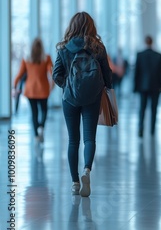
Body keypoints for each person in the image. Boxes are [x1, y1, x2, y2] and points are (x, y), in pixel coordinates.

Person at [52, 12, 113, 197]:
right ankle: (86, 170)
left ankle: (75, 183)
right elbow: (107, 74)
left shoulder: (63, 48)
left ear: (72, 26)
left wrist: (68, 86)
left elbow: (56, 75)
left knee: (73, 140)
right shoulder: (98, 48)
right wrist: (105, 87)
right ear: (91, 27)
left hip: (70, 99)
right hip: (92, 98)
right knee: (89, 139)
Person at [13, 38, 54, 142]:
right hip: (43, 89)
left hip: (30, 91)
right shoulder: (47, 58)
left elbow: (19, 75)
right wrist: (52, 85)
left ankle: (36, 136)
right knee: (44, 110)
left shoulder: (26, 59)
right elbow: (52, 73)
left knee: (34, 112)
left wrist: (14, 86)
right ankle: (41, 127)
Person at [134, 35, 161, 137]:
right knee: (154, 109)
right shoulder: (158, 55)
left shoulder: (140, 55)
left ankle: (140, 128)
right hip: (155, 86)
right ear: (152, 42)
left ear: (145, 42)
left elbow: (137, 73)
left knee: (142, 108)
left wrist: (135, 87)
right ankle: (152, 130)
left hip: (143, 86)